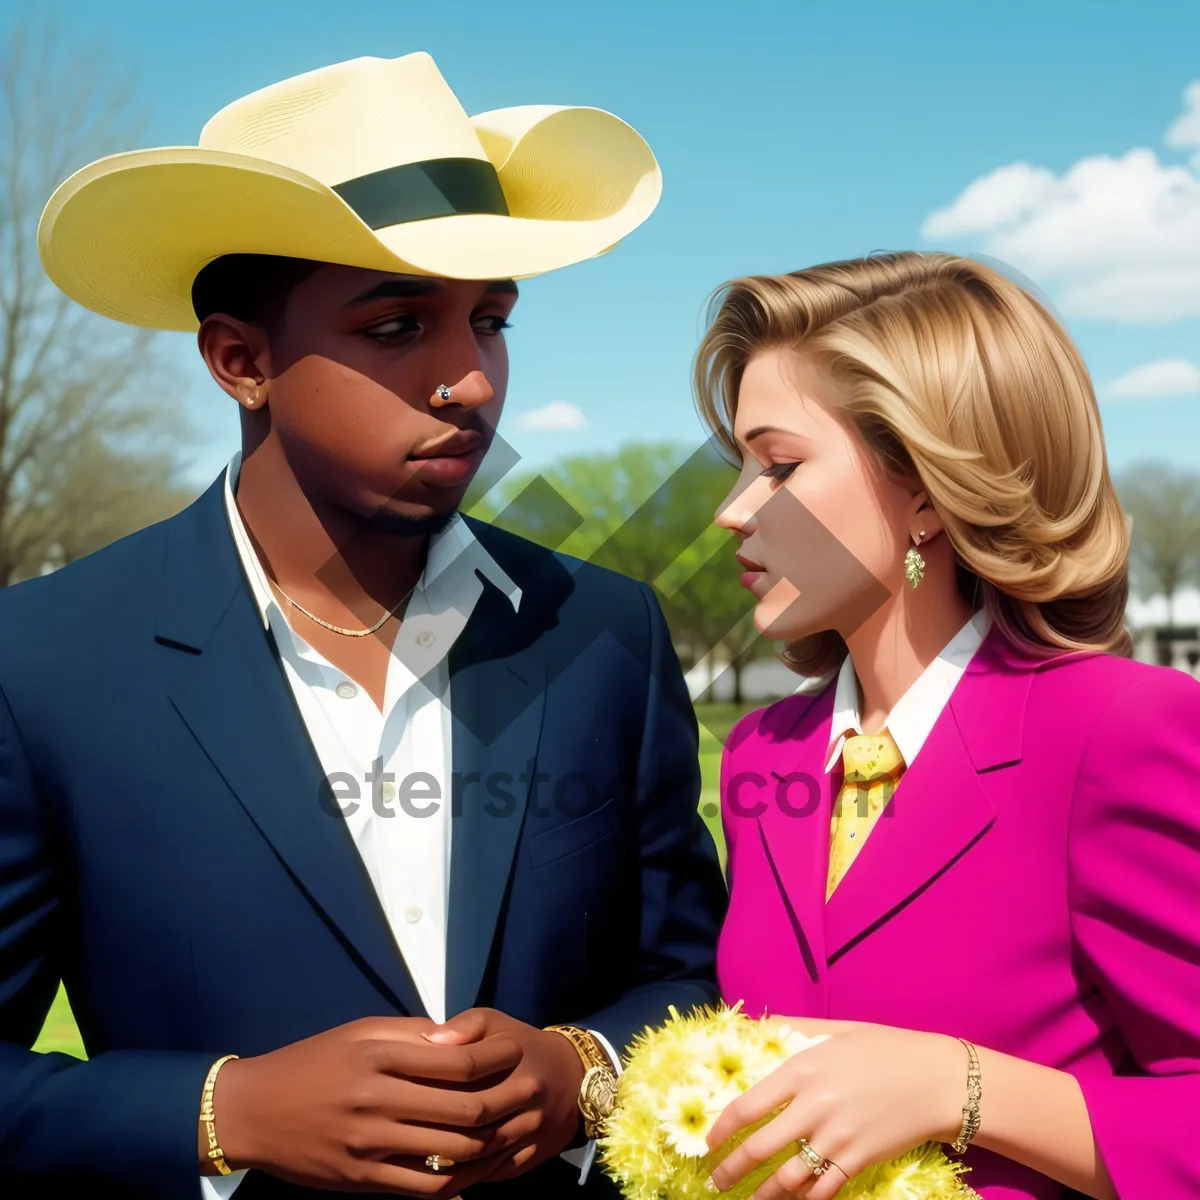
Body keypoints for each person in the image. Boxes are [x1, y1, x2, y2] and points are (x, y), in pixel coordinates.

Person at [0, 52, 726, 1199]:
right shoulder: (40, 662)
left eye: (489, 322)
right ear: (242, 360)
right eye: (398, 327)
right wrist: (220, 1112)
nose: (472, 381)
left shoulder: (605, 635)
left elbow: (692, 975)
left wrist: (582, 1068)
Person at [697, 252, 1200, 1200]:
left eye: (778, 466)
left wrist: (961, 1086)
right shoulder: (762, 755)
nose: (733, 513)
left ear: (926, 489)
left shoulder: (1123, 733)